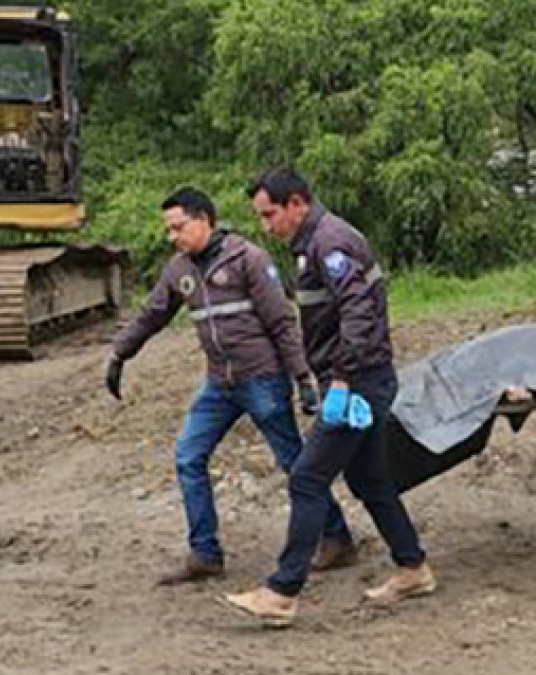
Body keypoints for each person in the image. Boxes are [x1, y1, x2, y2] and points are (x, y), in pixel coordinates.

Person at [106, 186, 356, 585]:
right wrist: (120, 354)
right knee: (189, 456)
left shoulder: (248, 259)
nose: (173, 237)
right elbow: (151, 314)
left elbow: (282, 322)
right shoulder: (179, 270)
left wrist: (301, 376)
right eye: (169, 230)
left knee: (294, 463)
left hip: (262, 380)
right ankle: (205, 553)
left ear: (204, 220)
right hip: (219, 385)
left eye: (178, 227)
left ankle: (337, 537)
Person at [219, 168, 434, 628]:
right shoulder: (313, 243)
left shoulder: (329, 243)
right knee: (371, 482)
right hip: (366, 380)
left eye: (270, 214)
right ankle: (413, 567)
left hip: (358, 385)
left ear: (297, 203)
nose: (266, 226)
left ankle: (281, 592)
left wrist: (341, 378)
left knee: (306, 478)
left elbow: (359, 311)